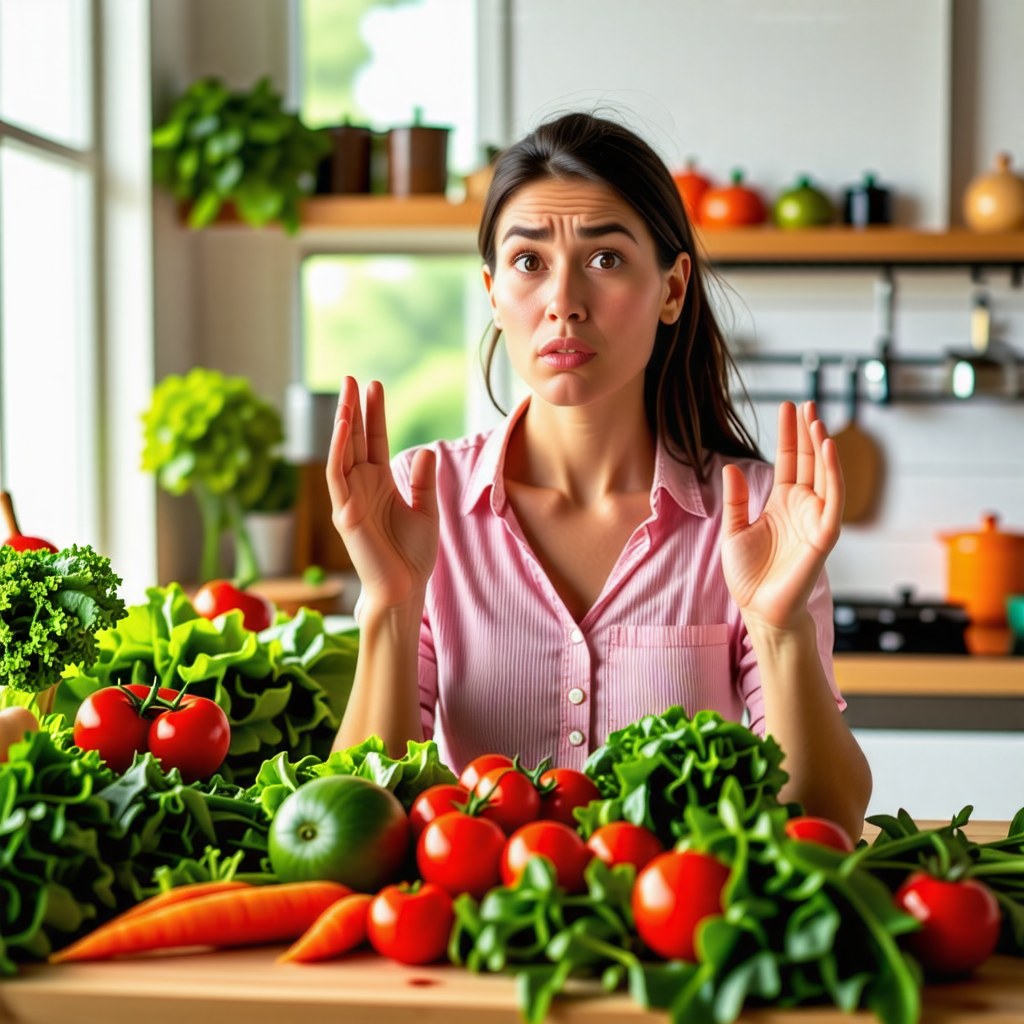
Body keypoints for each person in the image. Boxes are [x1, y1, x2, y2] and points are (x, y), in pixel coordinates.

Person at [327, 112, 872, 841]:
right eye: (529, 263)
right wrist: (391, 601)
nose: (563, 302)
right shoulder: (426, 504)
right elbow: (358, 821)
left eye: (606, 259)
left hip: (678, 938)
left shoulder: (753, 515)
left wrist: (780, 630)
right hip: (476, 941)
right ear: (492, 291)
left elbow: (826, 819)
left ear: (673, 289)